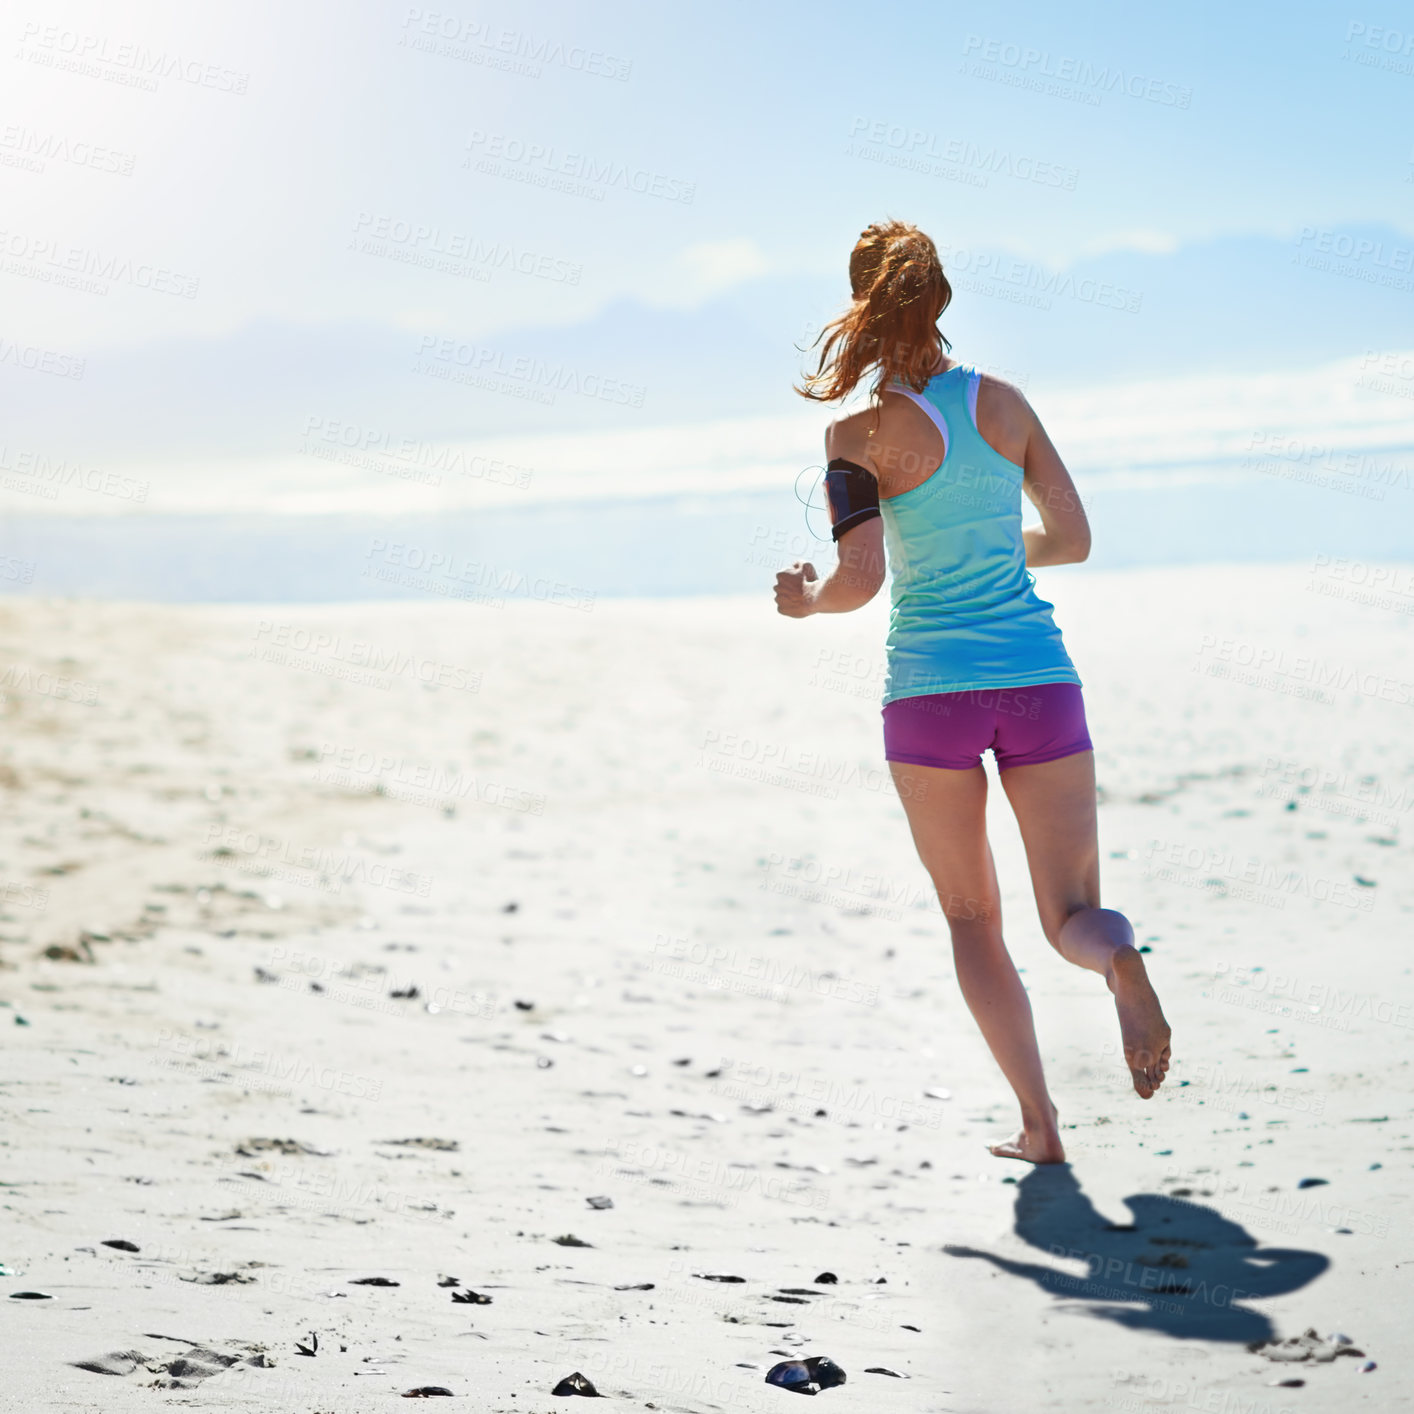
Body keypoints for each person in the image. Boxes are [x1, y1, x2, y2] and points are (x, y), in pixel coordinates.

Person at [773, 219, 1170, 1165]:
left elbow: (862, 580)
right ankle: (1119, 961)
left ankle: (1039, 1127)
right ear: (941, 300)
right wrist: (995, 548)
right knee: (1071, 913)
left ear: (862, 311)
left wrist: (806, 603)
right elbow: (1071, 541)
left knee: (970, 919)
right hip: (1038, 679)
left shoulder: (852, 437)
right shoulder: (1007, 405)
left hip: (930, 697)